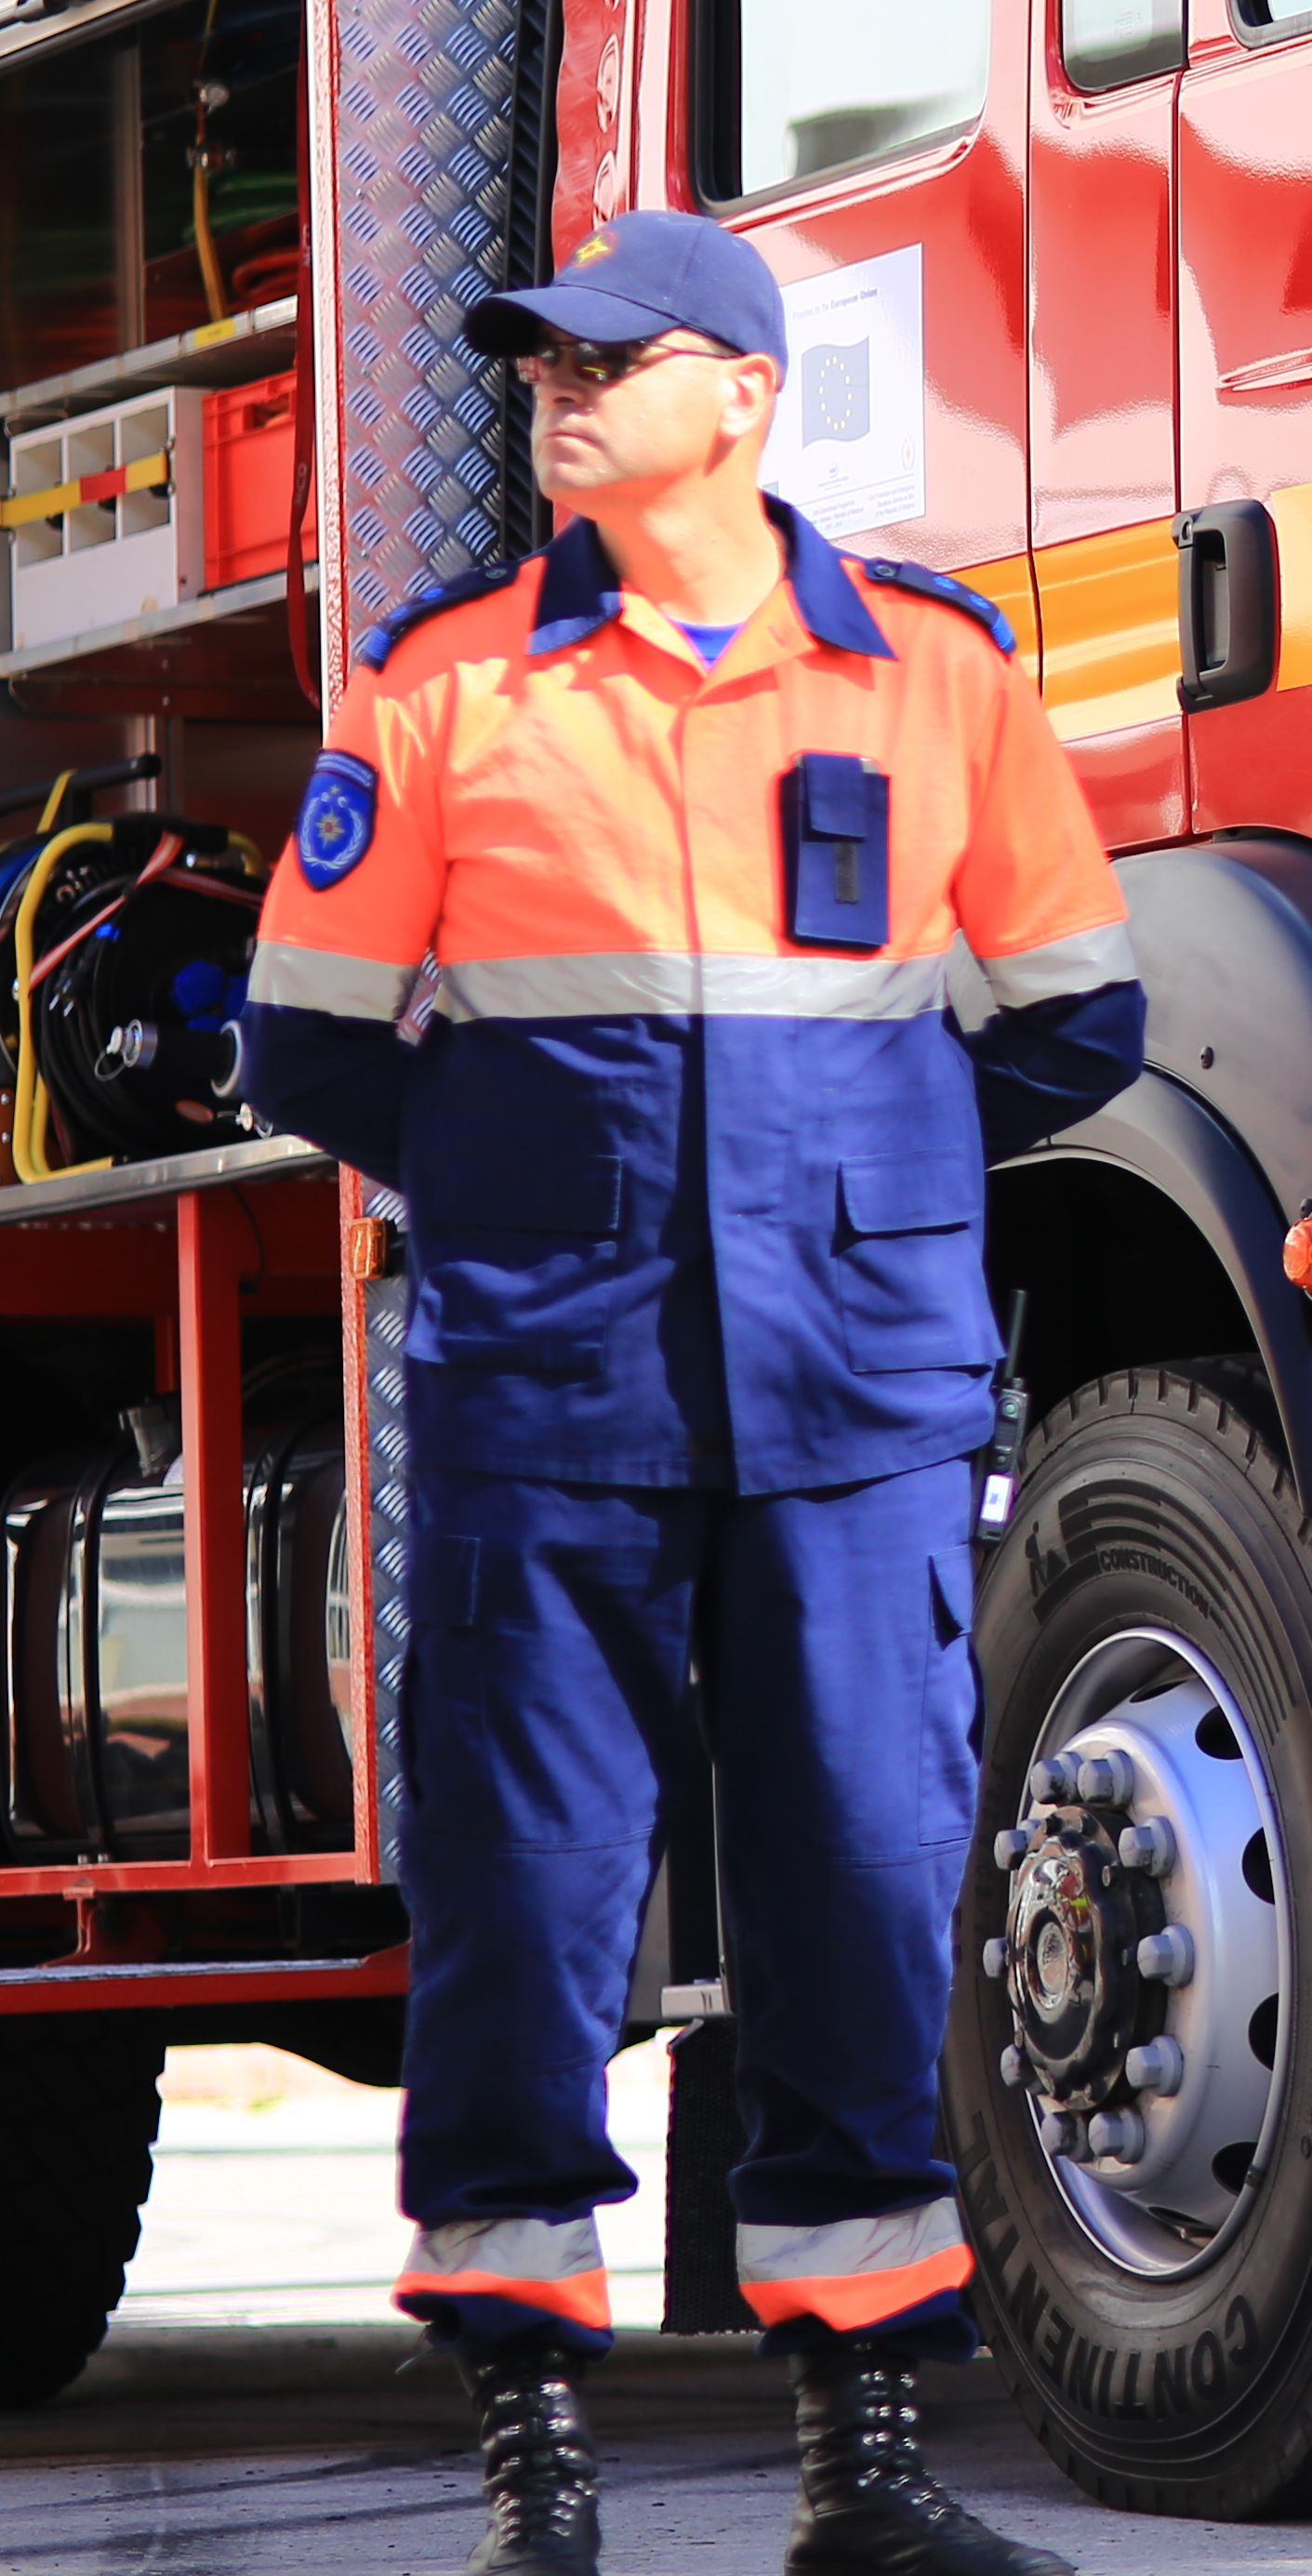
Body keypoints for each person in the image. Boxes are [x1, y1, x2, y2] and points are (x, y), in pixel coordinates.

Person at [241, 210, 1145, 2576]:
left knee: (862, 1885)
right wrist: (533, 1201)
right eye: (541, 367)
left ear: (742, 396)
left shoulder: (932, 673)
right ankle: (534, 2457)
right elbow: (306, 1042)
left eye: (603, 363)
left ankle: (869, 2463)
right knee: (525, 1908)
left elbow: (1080, 1011)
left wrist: (872, 1188)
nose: (556, 395)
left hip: (852, 1405)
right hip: (553, 1403)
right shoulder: (446, 685)